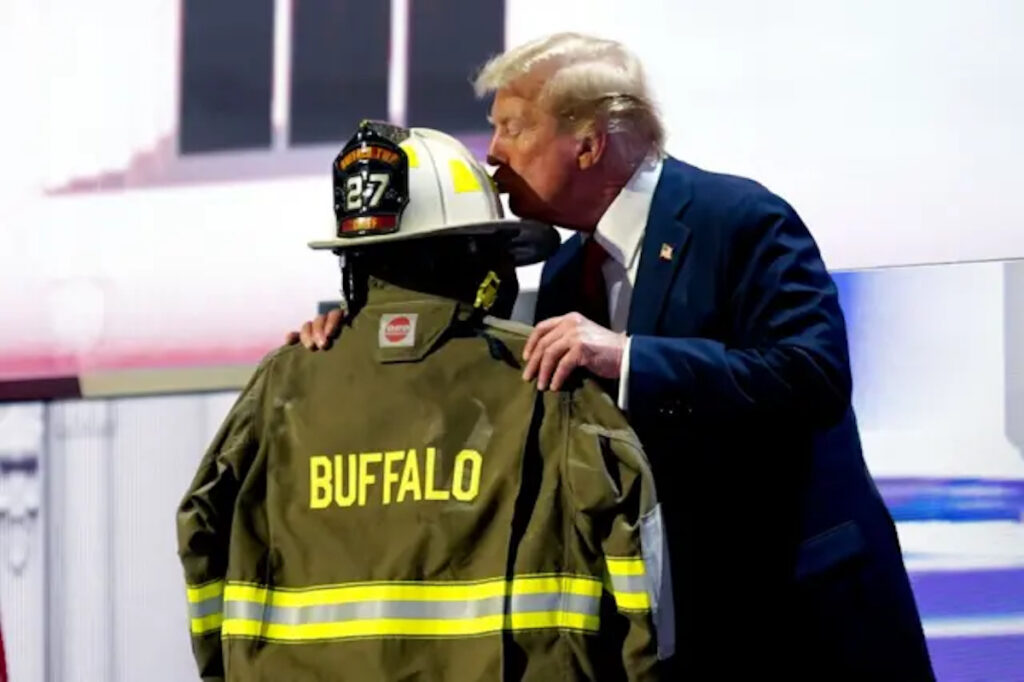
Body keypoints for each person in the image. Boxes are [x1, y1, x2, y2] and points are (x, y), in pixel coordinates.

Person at [292, 34, 935, 680]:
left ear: (590, 144)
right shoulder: (567, 270)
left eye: (513, 127)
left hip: (803, 623)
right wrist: (354, 338)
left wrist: (630, 359)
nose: (493, 154)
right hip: (684, 631)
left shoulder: (740, 219)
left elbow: (813, 376)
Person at [179, 122, 673, 681]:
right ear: (474, 255)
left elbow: (201, 531)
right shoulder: (551, 381)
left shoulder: (282, 384)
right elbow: (638, 568)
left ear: (355, 262)